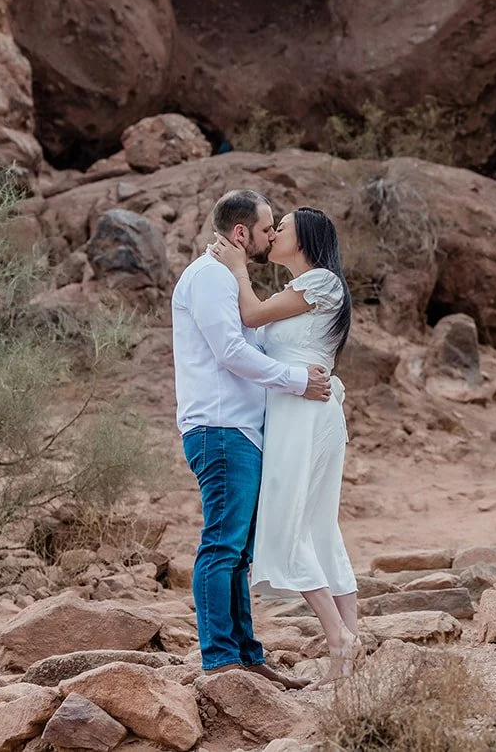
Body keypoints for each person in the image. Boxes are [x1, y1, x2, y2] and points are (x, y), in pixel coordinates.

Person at [171, 188, 331, 690]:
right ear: (241, 234)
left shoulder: (226, 279)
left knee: (238, 551)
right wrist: (297, 381)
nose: (270, 237)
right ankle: (220, 661)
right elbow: (231, 353)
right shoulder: (209, 277)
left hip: (240, 431)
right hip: (220, 429)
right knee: (221, 546)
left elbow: (250, 339)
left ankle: (247, 654)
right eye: (266, 229)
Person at [209, 205, 360, 683]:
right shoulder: (298, 289)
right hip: (296, 405)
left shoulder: (322, 282)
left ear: (307, 239)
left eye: (283, 229)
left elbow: (250, 315)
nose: (272, 234)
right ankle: (347, 651)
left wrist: (235, 267)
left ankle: (339, 636)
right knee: (314, 523)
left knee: (289, 520)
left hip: (303, 410)